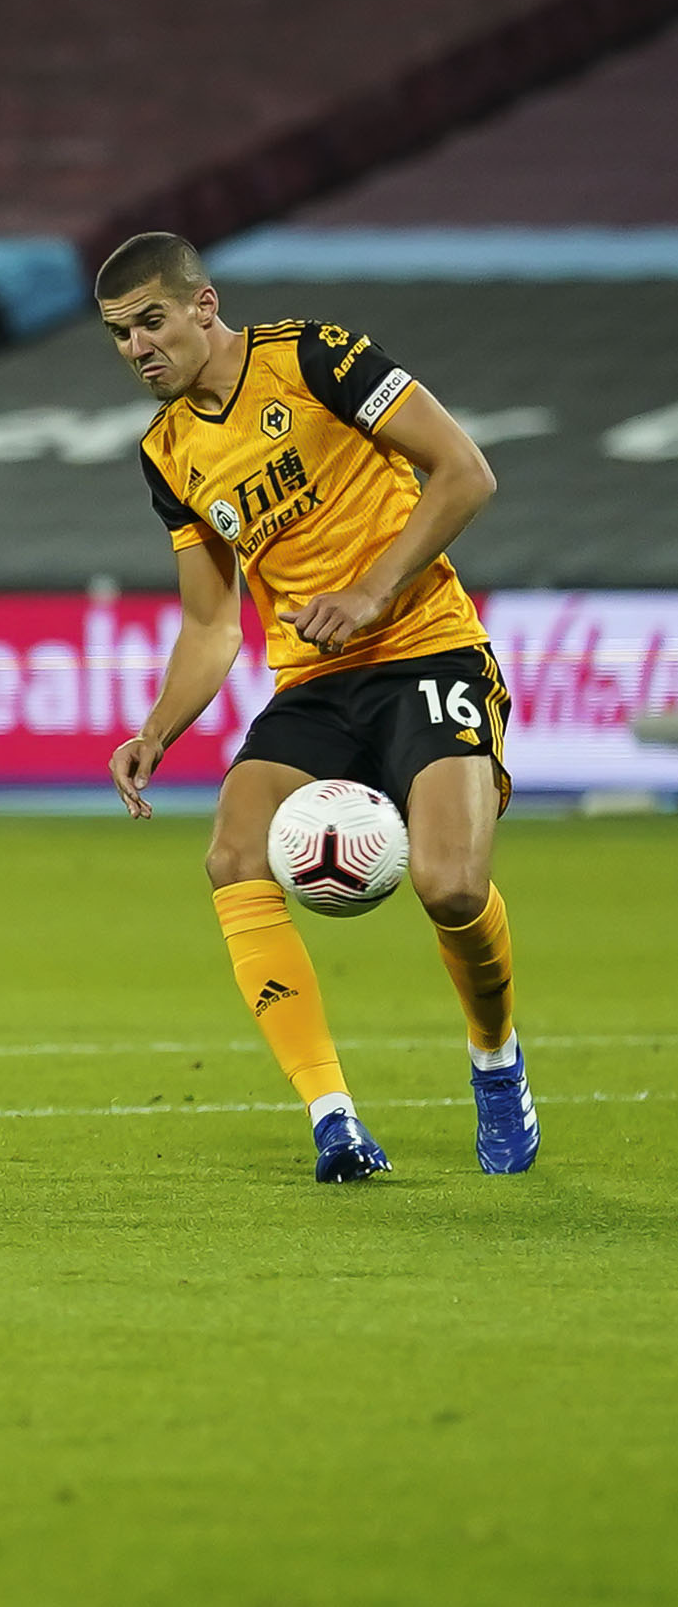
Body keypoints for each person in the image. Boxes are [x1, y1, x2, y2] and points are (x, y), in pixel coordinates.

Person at [98, 232, 535, 1183]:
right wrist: (155, 732)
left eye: (150, 321)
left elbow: (465, 471)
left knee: (452, 888)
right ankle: (332, 1119)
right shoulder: (167, 455)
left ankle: (496, 1065)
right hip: (313, 683)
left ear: (202, 306)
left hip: (425, 648)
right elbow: (212, 626)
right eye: (118, 334)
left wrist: (374, 590)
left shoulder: (311, 357)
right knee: (230, 852)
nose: (136, 347)